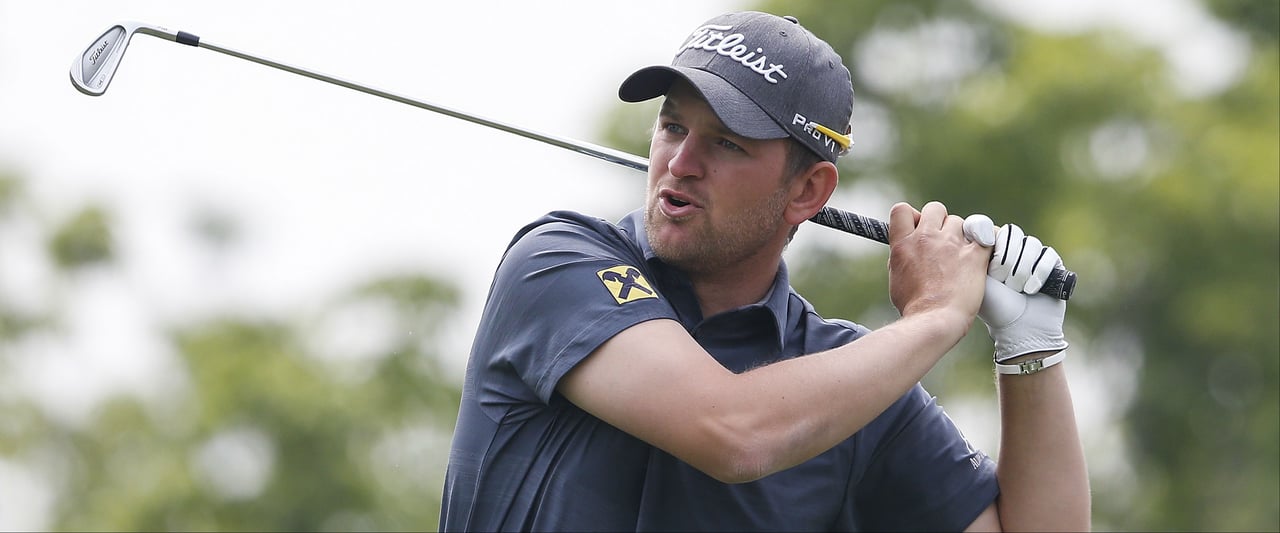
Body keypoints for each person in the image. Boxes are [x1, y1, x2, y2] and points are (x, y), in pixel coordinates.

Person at [440, 11, 1089, 532]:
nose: (681, 162)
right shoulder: (558, 261)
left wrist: (1031, 351)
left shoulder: (851, 385)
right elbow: (733, 432)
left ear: (808, 191)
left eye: (726, 142)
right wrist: (938, 315)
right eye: (671, 125)